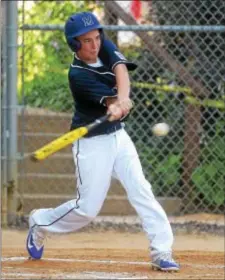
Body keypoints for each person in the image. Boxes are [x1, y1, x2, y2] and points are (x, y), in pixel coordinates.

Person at [26, 11, 179, 272]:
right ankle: (40, 222)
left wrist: (123, 97)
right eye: (86, 41)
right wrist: (114, 103)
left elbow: (120, 70)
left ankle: (161, 250)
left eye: (96, 38)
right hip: (92, 142)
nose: (94, 45)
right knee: (86, 210)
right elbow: (109, 103)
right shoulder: (78, 75)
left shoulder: (102, 44)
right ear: (75, 44)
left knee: (141, 189)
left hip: (118, 137)